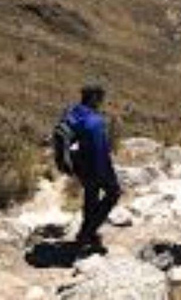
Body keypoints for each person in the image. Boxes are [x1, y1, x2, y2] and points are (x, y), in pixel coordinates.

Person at [62, 84, 121, 253]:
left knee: (91, 195)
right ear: (94, 98)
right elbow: (100, 150)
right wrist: (106, 173)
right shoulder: (95, 121)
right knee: (113, 193)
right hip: (95, 165)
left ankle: (89, 232)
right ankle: (87, 232)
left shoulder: (72, 112)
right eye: (100, 98)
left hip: (79, 164)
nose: (102, 102)